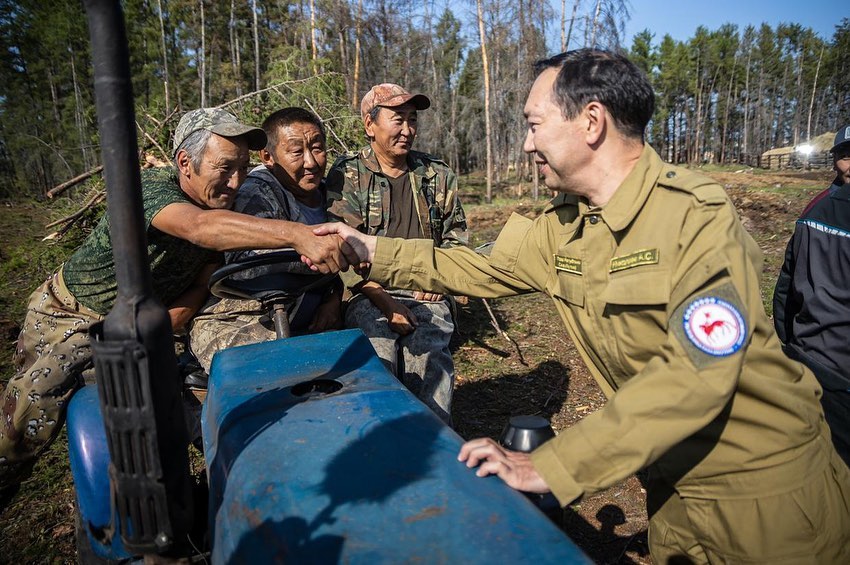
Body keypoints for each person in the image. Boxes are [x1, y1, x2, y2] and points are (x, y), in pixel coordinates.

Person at [316, 50, 850, 563]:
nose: (527, 145)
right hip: (670, 488)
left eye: (534, 124)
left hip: (765, 493)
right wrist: (373, 250)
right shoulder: (565, 224)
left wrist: (552, 466)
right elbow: (479, 268)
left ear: (591, 121)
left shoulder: (695, 214)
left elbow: (698, 371)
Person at [0, 108, 356, 505]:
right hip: (75, 314)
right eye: (225, 168)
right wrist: (298, 235)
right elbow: (201, 230)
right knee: (23, 428)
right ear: (186, 163)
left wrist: (180, 314)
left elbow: (208, 274)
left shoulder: (227, 198)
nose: (236, 181)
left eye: (242, 168)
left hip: (154, 314)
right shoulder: (150, 188)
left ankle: (232, 490)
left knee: (181, 409)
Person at [324, 83, 468, 425]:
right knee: (377, 355)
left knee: (428, 350)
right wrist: (387, 303)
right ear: (369, 125)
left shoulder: (437, 174)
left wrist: (441, 277)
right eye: (397, 119)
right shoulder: (347, 175)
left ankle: (433, 443)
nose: (407, 130)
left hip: (427, 288)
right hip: (369, 293)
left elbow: (457, 239)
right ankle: (378, 440)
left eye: (412, 120)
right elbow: (341, 252)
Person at [189, 107, 342, 371]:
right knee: (278, 370)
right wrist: (323, 264)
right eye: (296, 152)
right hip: (244, 316)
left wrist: (334, 293)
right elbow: (253, 264)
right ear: (268, 157)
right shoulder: (257, 190)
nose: (311, 162)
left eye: (317, 148)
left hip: (311, 313)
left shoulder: (335, 192)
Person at [773, 125, 850, 468]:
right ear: (835, 161)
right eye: (846, 155)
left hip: (814, 357)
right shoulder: (814, 212)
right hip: (826, 366)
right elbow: (788, 283)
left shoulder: (815, 210)